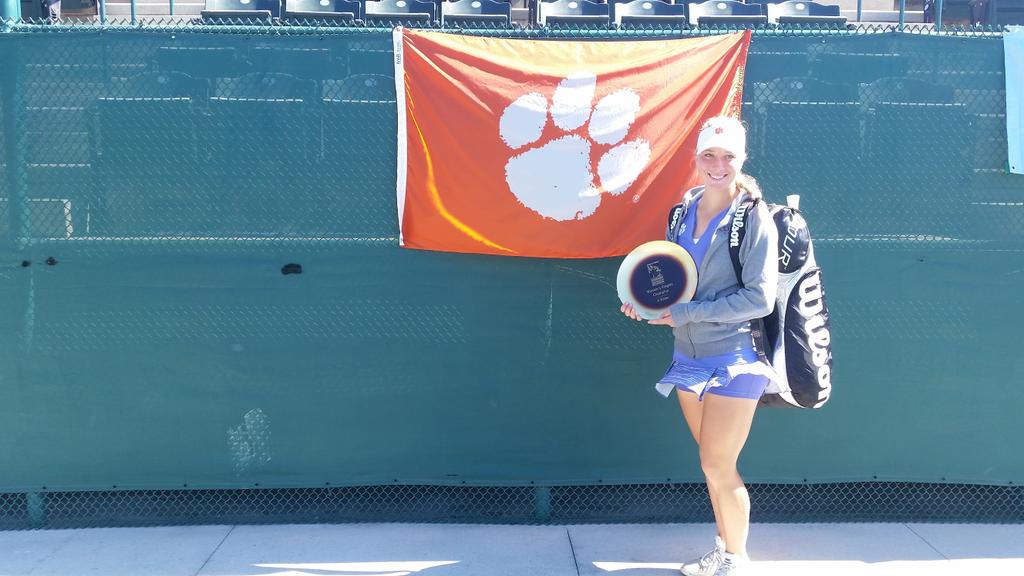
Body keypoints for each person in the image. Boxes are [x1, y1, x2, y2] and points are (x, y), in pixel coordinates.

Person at [620, 116, 779, 576]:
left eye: (728, 156)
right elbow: (676, 282)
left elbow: (759, 299)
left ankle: (737, 559)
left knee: (717, 463)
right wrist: (646, 305)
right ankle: (724, 548)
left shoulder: (754, 218)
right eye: (709, 155)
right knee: (711, 466)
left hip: (735, 358)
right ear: (696, 159)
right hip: (687, 357)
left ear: (742, 160)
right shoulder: (683, 210)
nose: (718, 165)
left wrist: (685, 314)